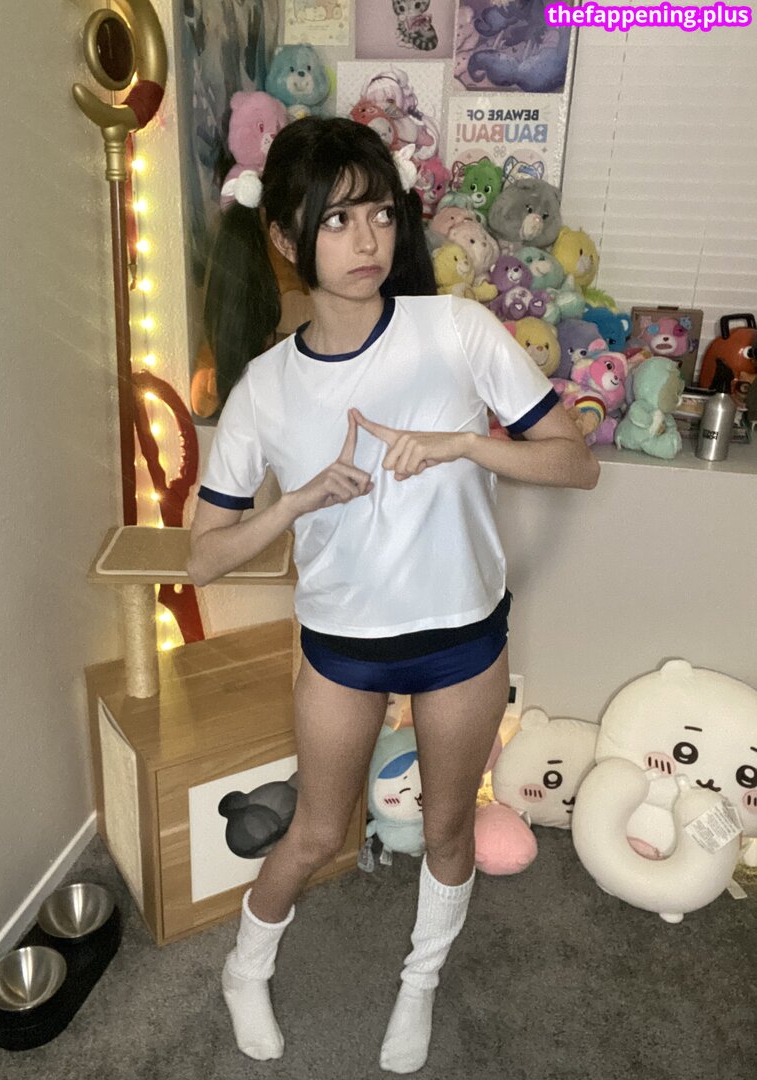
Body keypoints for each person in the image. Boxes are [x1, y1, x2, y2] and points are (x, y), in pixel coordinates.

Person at [188, 116, 599, 1074]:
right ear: (285, 236)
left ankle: (419, 983)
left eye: (379, 213)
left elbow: (574, 463)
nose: (367, 240)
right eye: (336, 221)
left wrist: (463, 445)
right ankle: (245, 968)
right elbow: (204, 559)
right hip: (343, 646)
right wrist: (296, 502)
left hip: (463, 636)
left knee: (447, 828)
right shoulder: (264, 390)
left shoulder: (454, 330)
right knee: (316, 832)